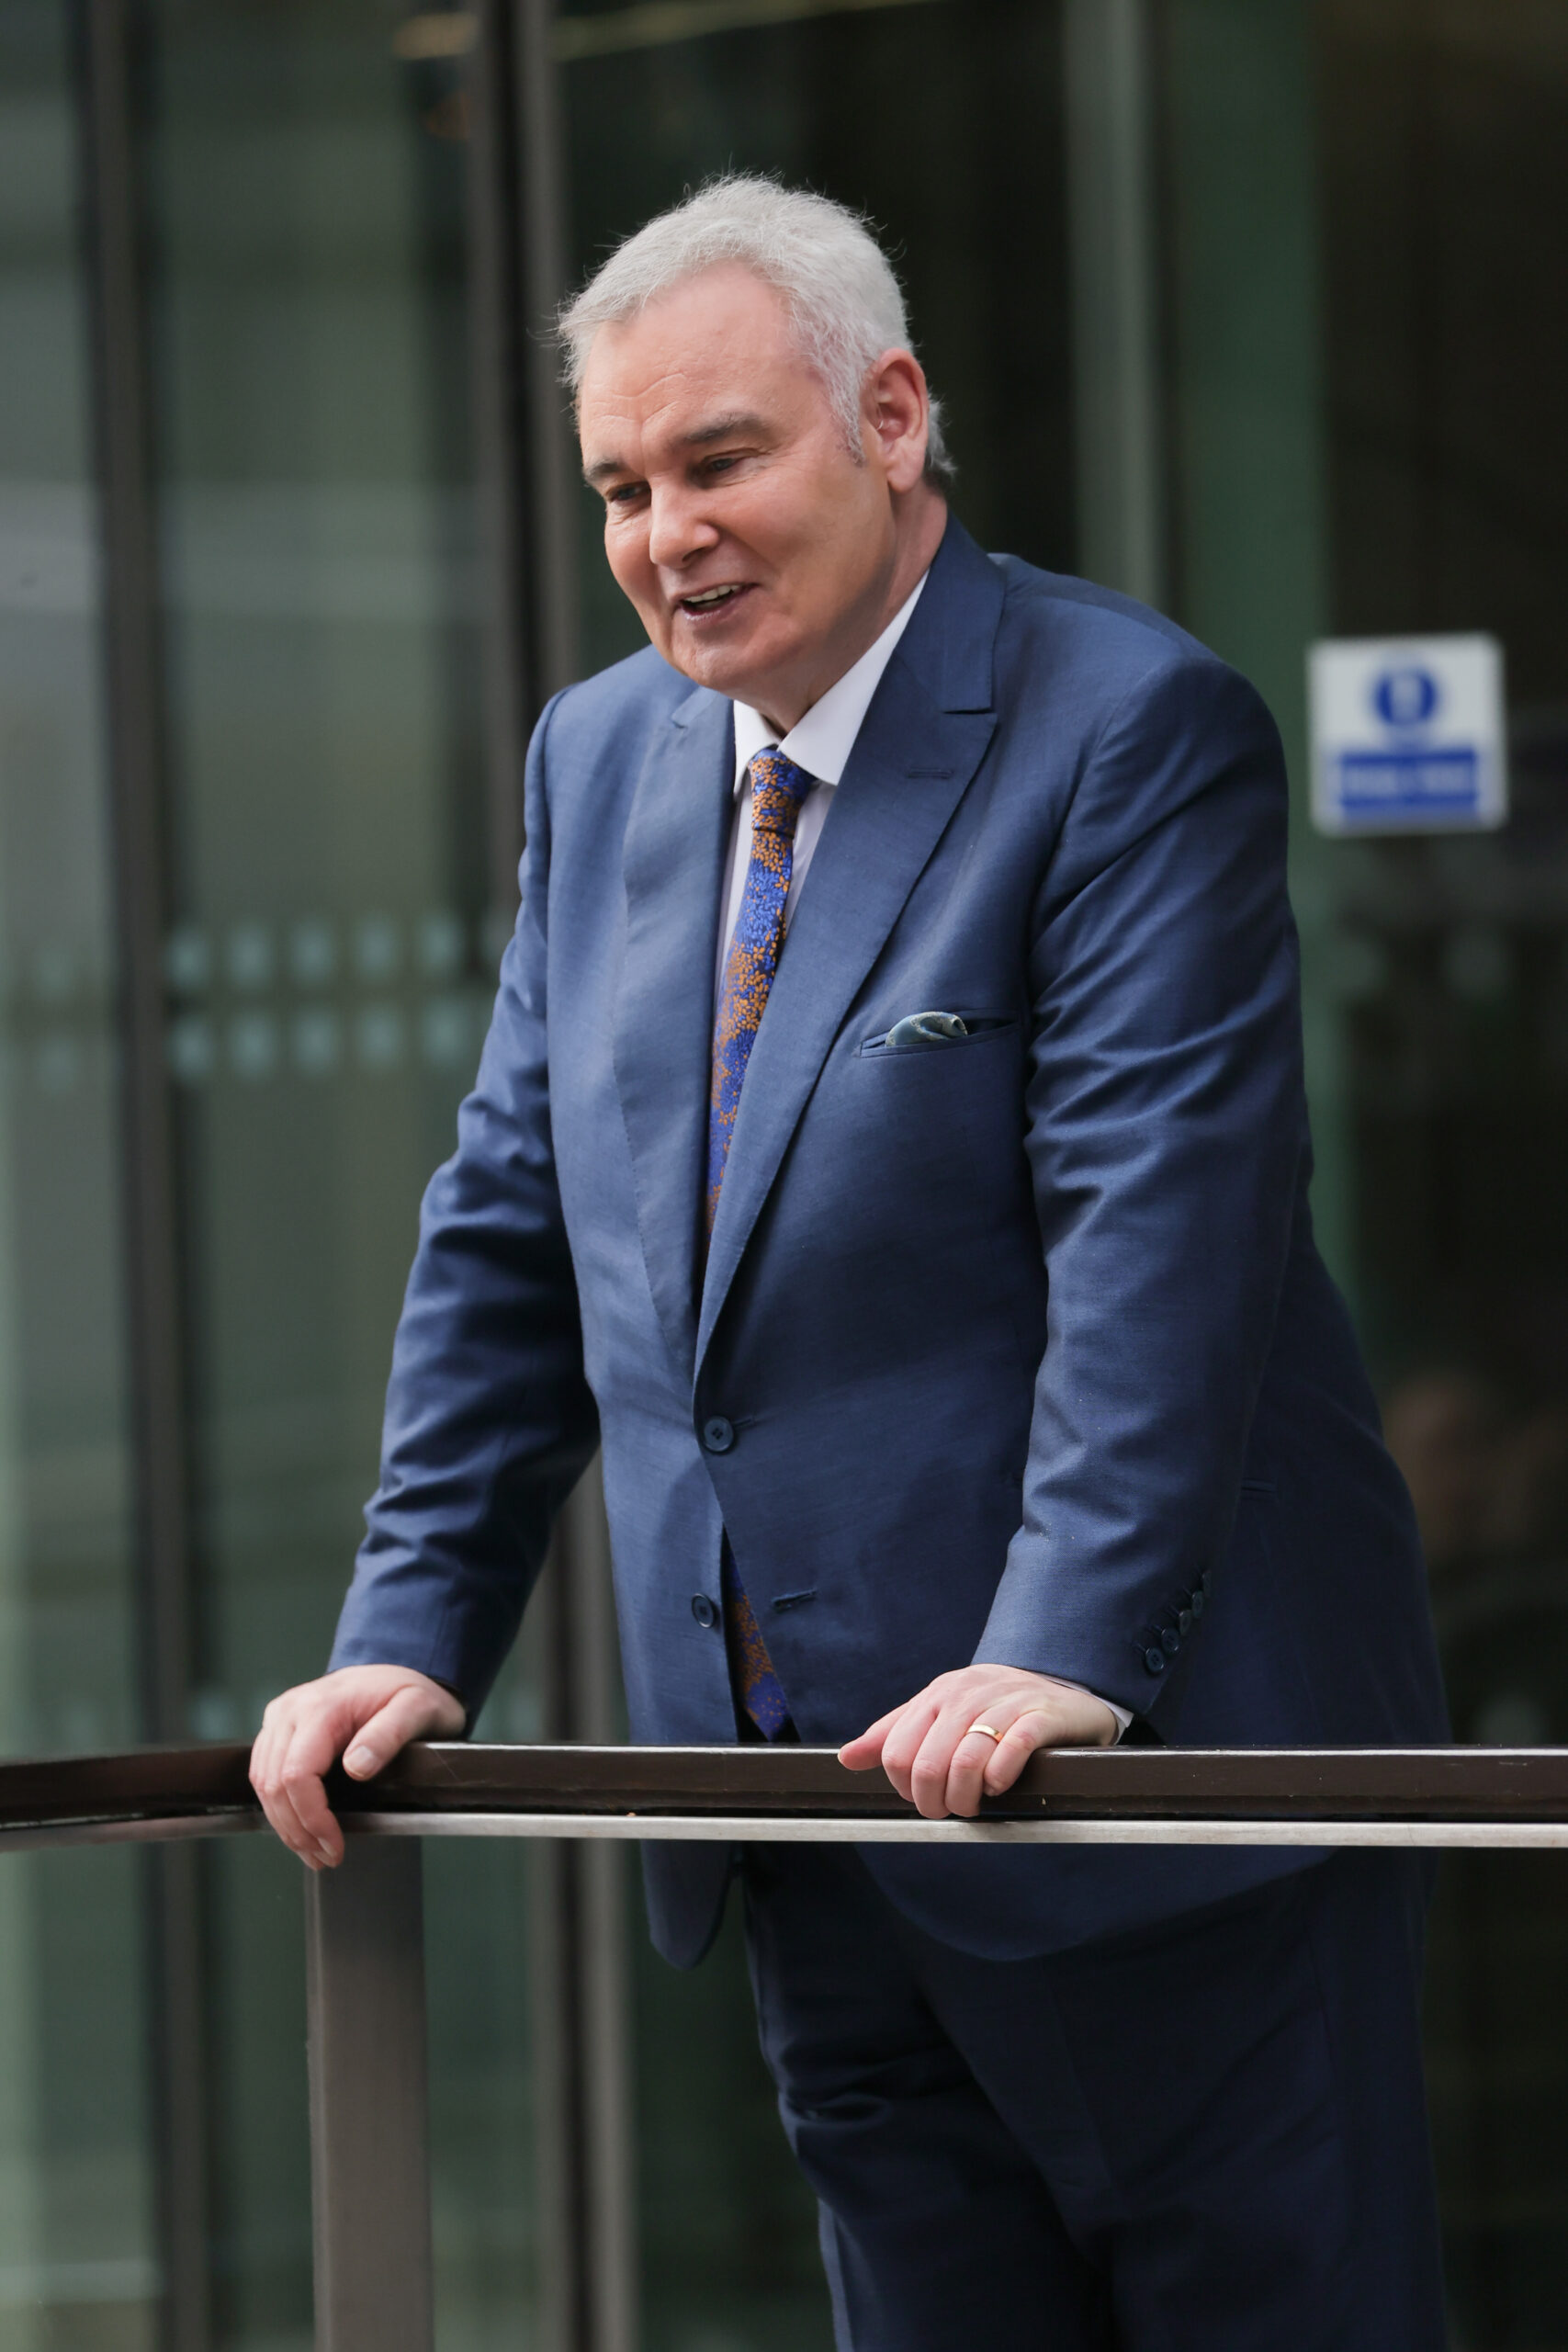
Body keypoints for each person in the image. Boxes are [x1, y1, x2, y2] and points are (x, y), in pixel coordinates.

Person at [252, 175, 1450, 2347]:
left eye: (719, 460)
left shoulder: (1124, 730)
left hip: (1139, 1806)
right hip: (796, 1822)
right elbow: (515, 1217)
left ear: (890, 417)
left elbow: (1154, 1232)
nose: (663, 533)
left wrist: (1063, 1648)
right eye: (621, 484)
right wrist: (411, 1625)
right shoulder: (597, 755)